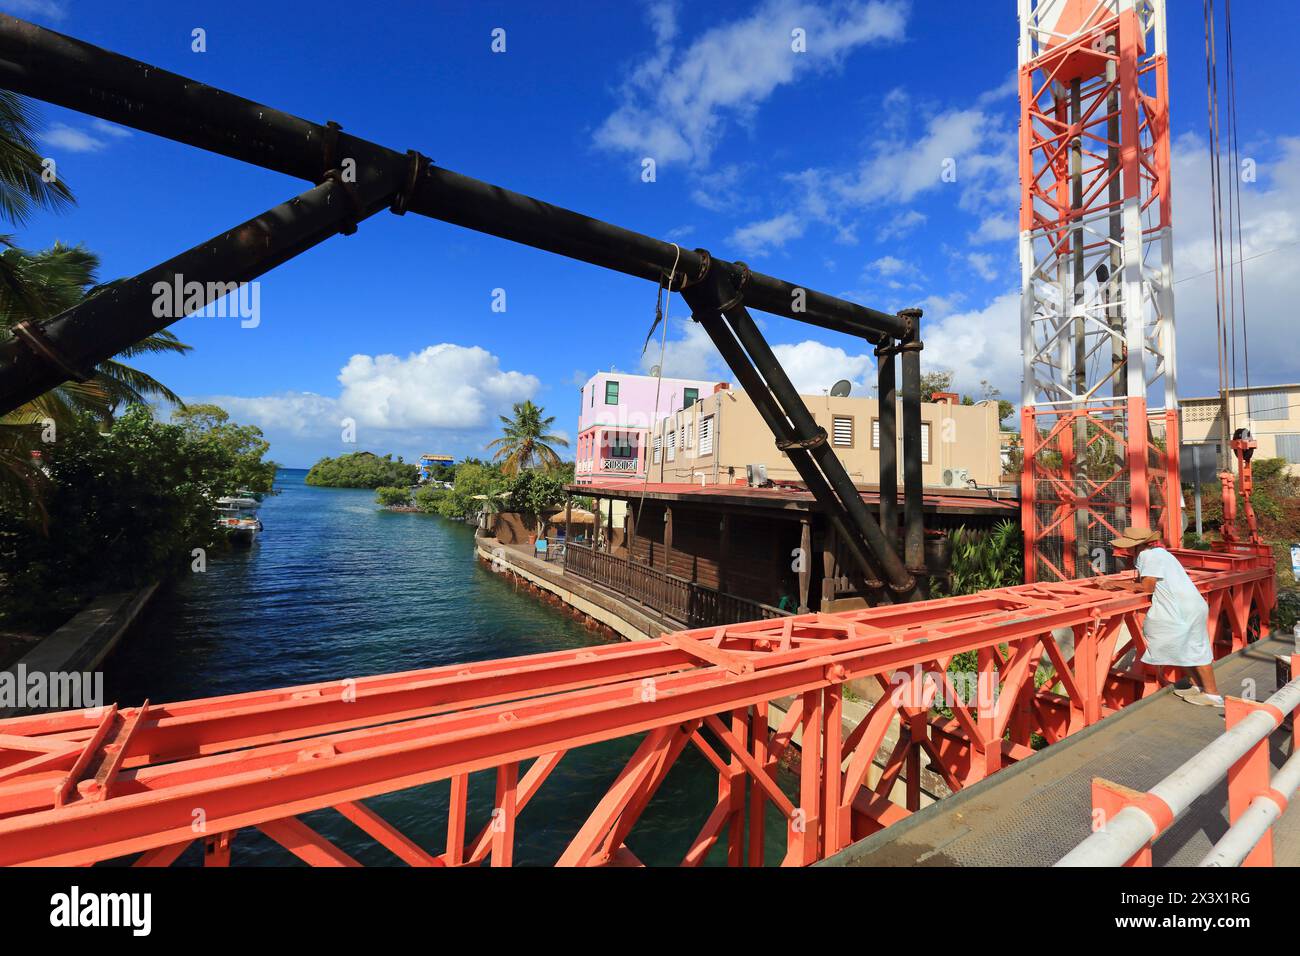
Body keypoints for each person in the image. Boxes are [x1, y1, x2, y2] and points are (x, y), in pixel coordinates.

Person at [1110, 526, 1222, 709]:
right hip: (1188, 605)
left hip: (1184, 608)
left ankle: (1213, 695)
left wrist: (1114, 583)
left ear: (1135, 545)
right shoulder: (1157, 553)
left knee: (1196, 649)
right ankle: (1198, 686)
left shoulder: (1149, 556)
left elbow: (1147, 587)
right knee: (1183, 647)